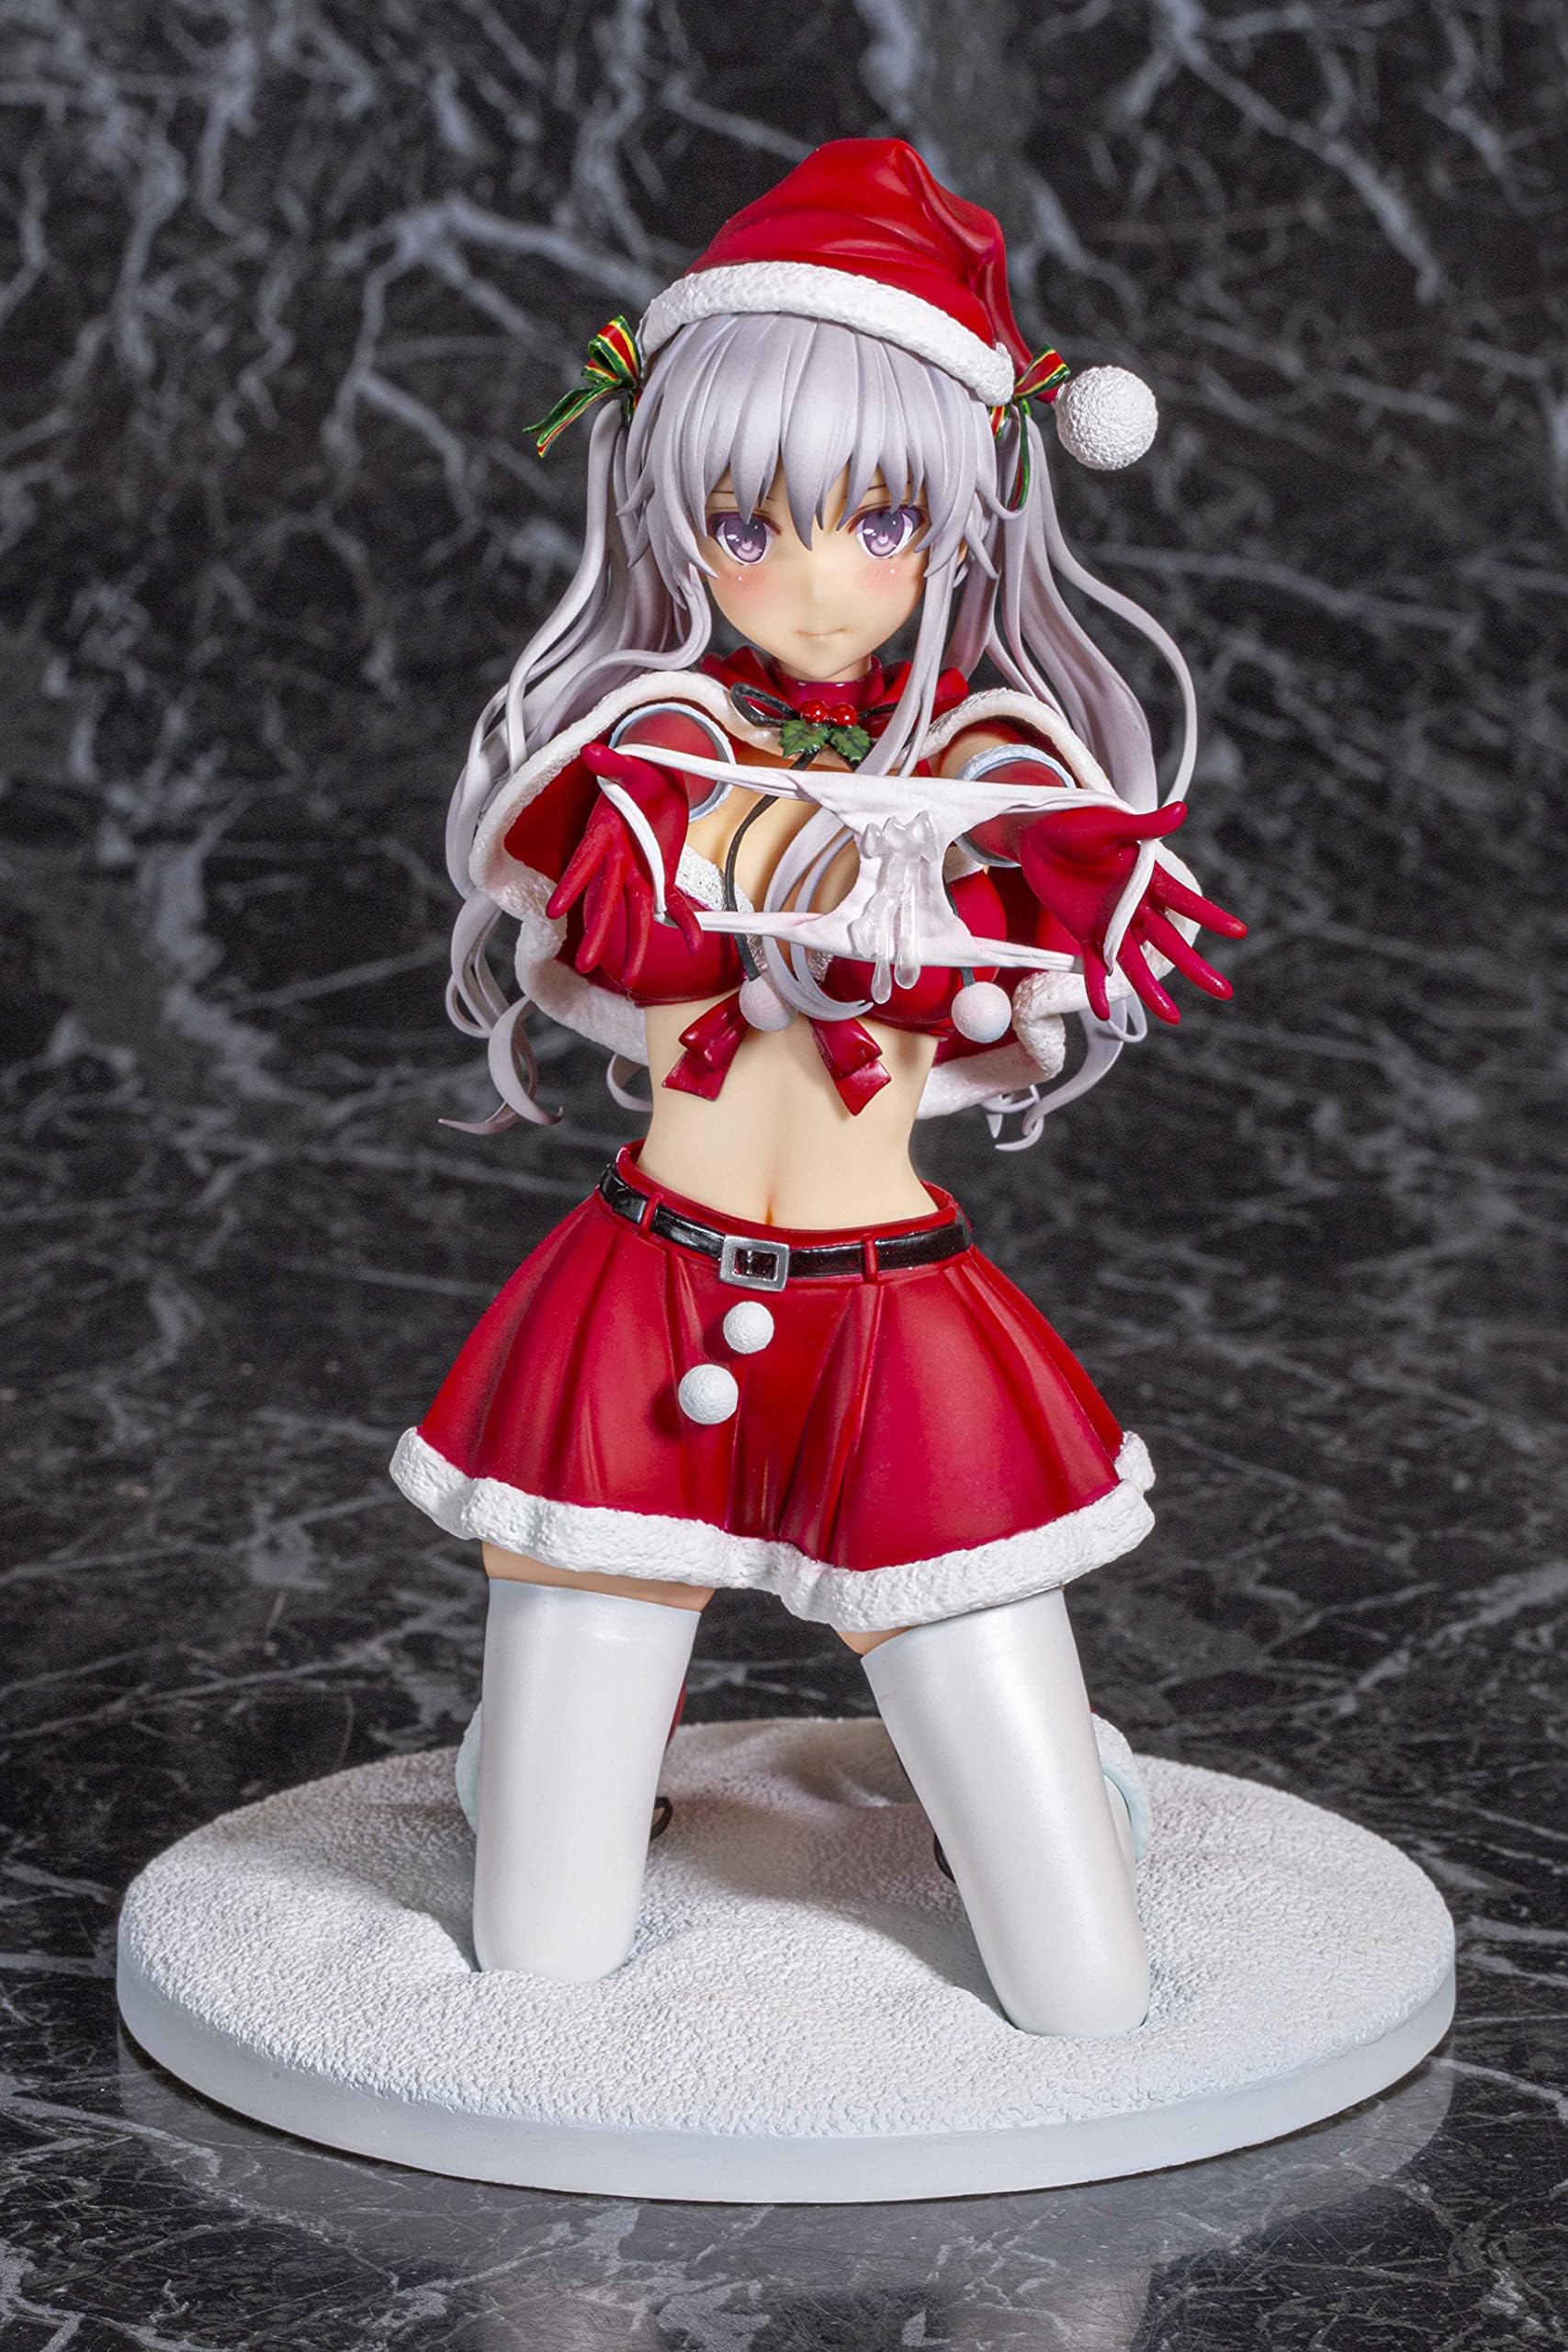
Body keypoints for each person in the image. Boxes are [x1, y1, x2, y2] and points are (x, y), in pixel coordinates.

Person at [390, 139, 1246, 2036]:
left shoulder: (994, 770)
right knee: (538, 1950)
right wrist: (738, 870)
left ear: (963, 518)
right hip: (645, 1305)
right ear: (674, 517)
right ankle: (527, 1765)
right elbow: (613, 929)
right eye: (745, 522)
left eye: (877, 522)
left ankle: (1063, 1779)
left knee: (1081, 1984)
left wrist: (1017, 892)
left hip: (894, 1326)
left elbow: (992, 988)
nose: (810, 581)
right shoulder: (644, 749)